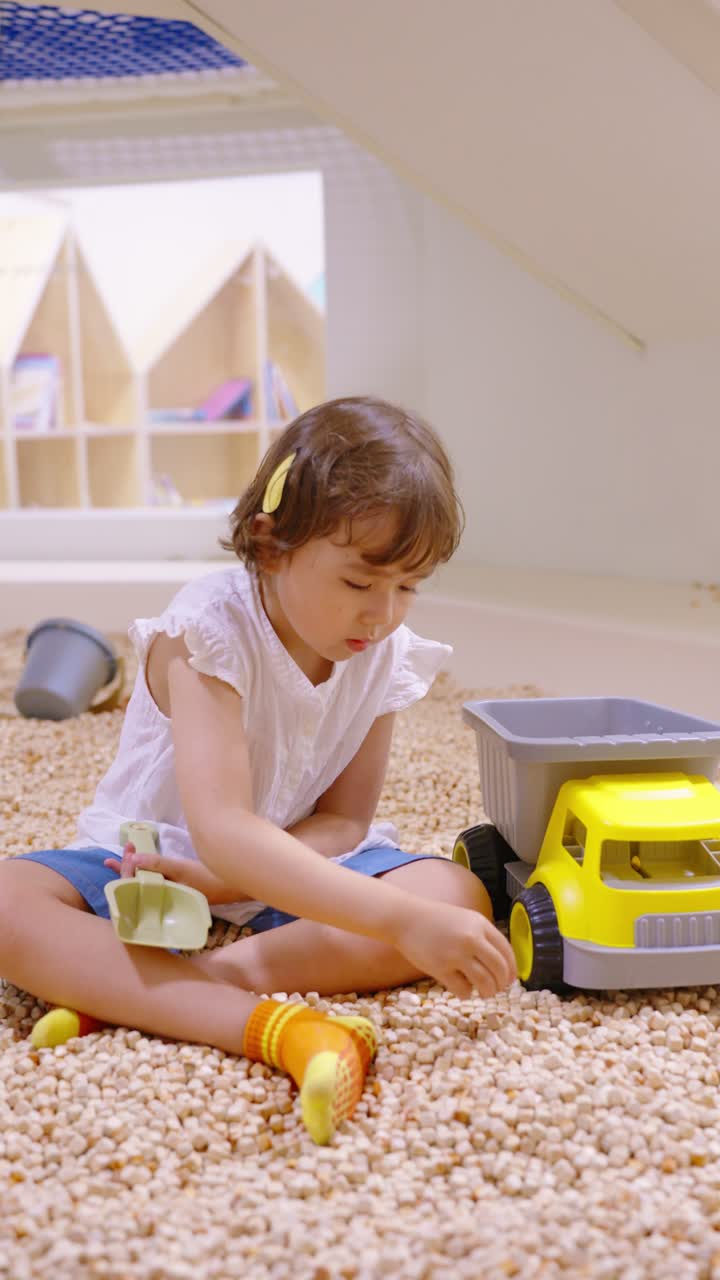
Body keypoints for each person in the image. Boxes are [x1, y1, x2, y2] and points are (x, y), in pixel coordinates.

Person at [0, 396, 516, 1144]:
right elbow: (221, 830)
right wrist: (397, 922)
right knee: (9, 902)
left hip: (289, 863)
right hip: (151, 858)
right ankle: (285, 1029)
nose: (383, 614)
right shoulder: (208, 630)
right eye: (358, 583)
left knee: (458, 892)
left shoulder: (385, 654)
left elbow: (343, 821)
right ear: (270, 544)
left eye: (409, 586)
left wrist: (241, 888)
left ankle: (171, 989)